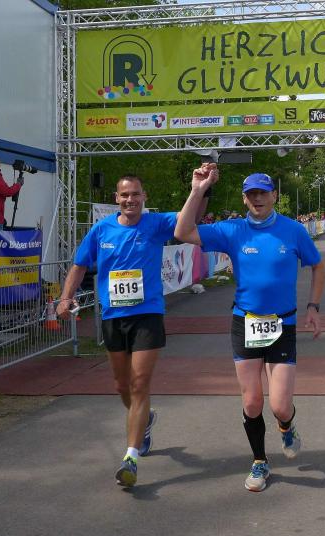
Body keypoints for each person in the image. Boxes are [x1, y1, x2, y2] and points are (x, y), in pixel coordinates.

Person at [56, 165, 217, 487]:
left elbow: (192, 218)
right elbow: (79, 265)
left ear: (144, 197)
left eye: (135, 194)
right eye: (125, 195)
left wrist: (201, 189)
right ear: (116, 198)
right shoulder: (101, 230)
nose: (130, 199)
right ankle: (145, 419)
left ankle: (130, 457)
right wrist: (64, 298)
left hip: (148, 313)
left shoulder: (156, 224)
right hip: (113, 317)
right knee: (122, 386)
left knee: (140, 383)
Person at [174, 171, 325, 493]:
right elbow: (183, 231)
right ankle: (259, 461)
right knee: (253, 401)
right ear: (245, 199)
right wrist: (198, 190)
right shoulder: (232, 230)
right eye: (251, 194)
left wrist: (313, 307)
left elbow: (318, 265)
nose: (258, 198)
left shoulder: (294, 230)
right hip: (245, 323)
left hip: (282, 324)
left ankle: (286, 426)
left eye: (263, 192)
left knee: (280, 406)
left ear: (274, 196)